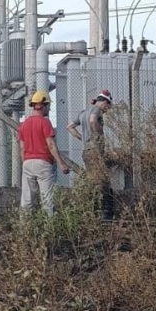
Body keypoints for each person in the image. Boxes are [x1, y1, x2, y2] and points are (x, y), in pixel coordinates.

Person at [18, 90, 70, 215]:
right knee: (47, 200)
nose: (50, 109)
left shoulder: (23, 125)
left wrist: (25, 163)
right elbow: (51, 145)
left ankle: (24, 229)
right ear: (43, 105)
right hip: (43, 163)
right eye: (49, 105)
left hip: (27, 163)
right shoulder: (45, 123)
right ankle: (49, 229)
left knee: (26, 200)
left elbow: (22, 148)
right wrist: (61, 163)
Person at [67, 89, 114, 220]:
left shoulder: (83, 112)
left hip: (86, 151)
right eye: (107, 106)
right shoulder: (96, 110)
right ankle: (106, 214)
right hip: (96, 151)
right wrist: (99, 134)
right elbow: (93, 121)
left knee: (93, 181)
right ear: (104, 102)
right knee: (104, 181)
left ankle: (91, 211)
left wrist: (81, 138)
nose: (107, 109)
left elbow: (69, 126)